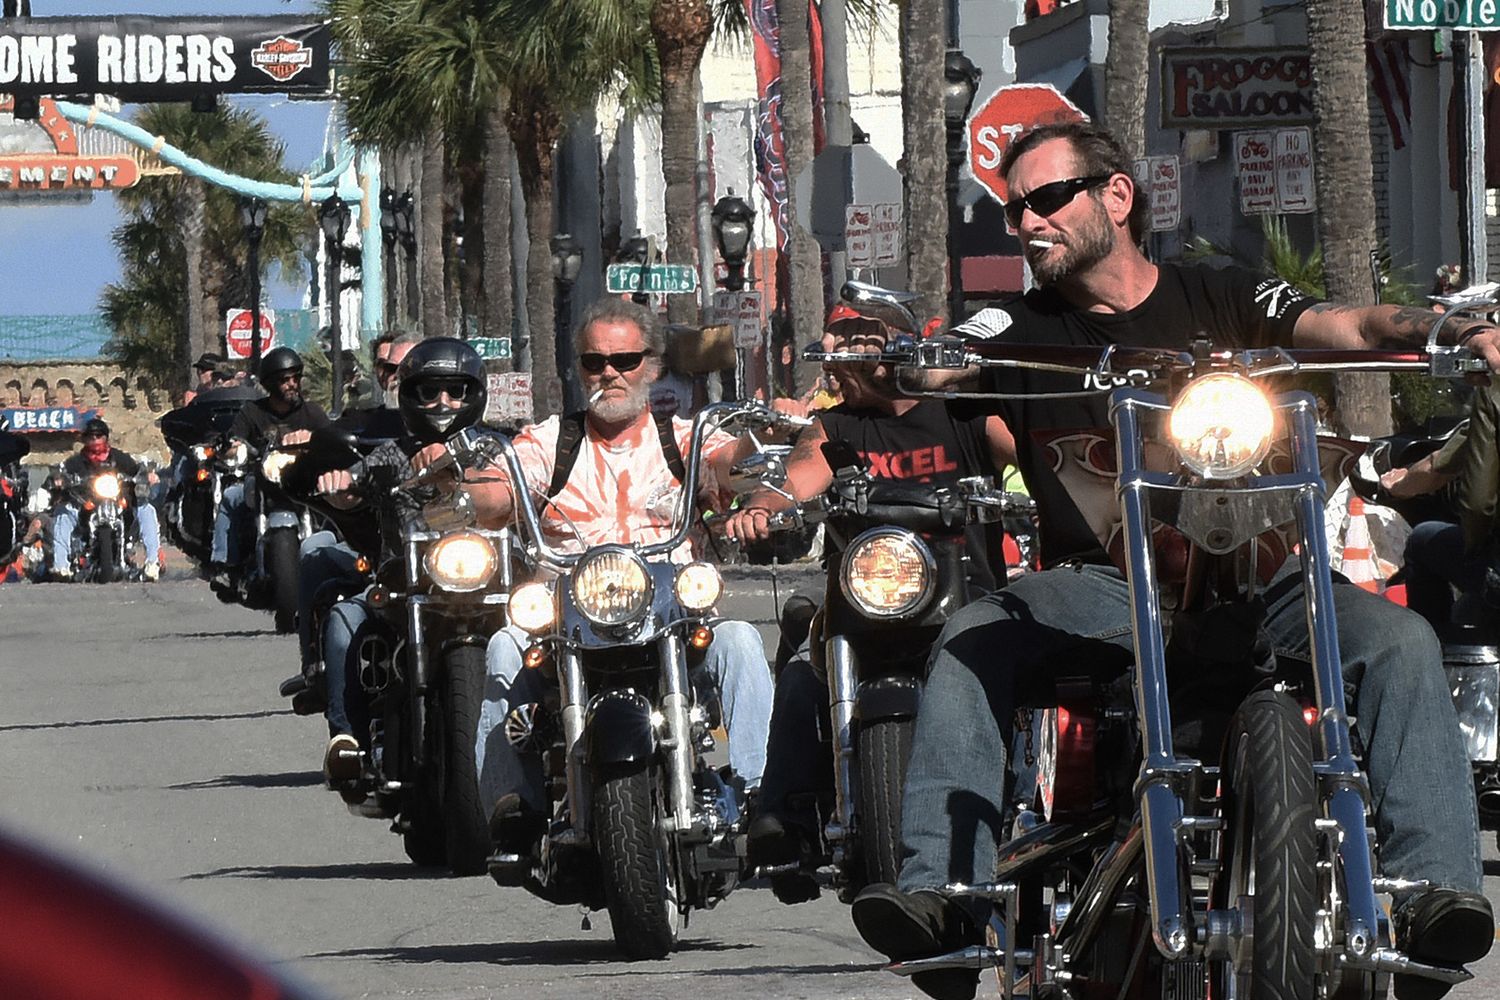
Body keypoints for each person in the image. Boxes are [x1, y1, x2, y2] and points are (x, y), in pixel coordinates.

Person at [847, 121, 1497, 1000]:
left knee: (1402, 640)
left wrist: (1444, 327)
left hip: (1267, 577)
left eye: (1045, 200)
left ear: (1114, 198)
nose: (1027, 224)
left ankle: (1431, 894)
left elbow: (1343, 322)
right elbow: (956, 356)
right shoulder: (1021, 322)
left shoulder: (1220, 297)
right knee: (969, 635)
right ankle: (946, 894)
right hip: (1101, 585)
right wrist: (917, 358)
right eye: (1013, 211)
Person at [449, 297, 772, 851]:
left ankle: (760, 795)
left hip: (673, 616)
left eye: (624, 360)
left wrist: (755, 455)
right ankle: (513, 808)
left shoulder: (684, 439)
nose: (609, 374)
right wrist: (464, 488)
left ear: (652, 366)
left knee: (740, 642)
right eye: (595, 362)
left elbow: (729, 463)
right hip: (567, 621)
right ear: (578, 369)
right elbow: (499, 488)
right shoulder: (548, 443)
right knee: (503, 646)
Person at [724, 301, 1014, 881]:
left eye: (860, 338)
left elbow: (1030, 449)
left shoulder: (963, 412)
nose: (841, 355)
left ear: (908, 343)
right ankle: (786, 818)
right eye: (833, 345)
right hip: (862, 601)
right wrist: (764, 506)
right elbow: (795, 480)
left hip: (964, 595)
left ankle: (1028, 797)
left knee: (1019, 663)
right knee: (805, 669)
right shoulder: (834, 427)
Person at [312, 337, 488, 780]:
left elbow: (531, 486)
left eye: (455, 391)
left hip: (484, 587)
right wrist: (339, 486)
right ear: (409, 397)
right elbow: (354, 486)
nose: (442, 402)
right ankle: (347, 738)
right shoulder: (391, 456)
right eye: (428, 391)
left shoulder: (495, 450)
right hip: (404, 584)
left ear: (475, 395)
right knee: (343, 619)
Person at [288, 332, 420, 689]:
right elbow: (338, 464)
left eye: (409, 371)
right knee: (315, 554)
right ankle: (319, 675)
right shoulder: (364, 423)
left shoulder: (472, 439)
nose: (396, 378)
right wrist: (313, 452)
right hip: (378, 555)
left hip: (454, 569)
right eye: (389, 368)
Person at [1381, 381, 1500, 626]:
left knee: (1422, 540)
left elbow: (1475, 501)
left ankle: (1432, 653)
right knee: (1469, 606)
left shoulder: (1493, 392)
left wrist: (1398, 486)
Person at [209, 348, 329, 588]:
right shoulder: (253, 412)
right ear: (271, 383)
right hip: (263, 478)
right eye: (285, 380)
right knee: (231, 497)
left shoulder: (311, 412)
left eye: (295, 378)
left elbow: (330, 436)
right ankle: (225, 564)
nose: (292, 384)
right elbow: (236, 439)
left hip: (304, 480)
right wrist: (230, 448)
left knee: (335, 501)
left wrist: (321, 441)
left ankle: (345, 559)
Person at [49, 418, 161, 582]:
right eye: (91, 436)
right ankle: (61, 566)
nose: (95, 440)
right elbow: (61, 475)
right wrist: (59, 480)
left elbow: (137, 470)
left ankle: (153, 563)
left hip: (120, 504)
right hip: (85, 507)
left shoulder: (119, 458)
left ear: (106, 437)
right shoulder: (76, 462)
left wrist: (147, 475)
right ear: (84, 439)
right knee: (62, 513)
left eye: (99, 435)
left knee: (147, 509)